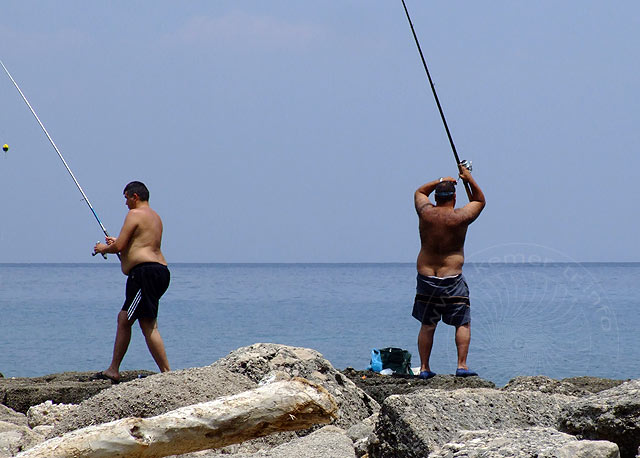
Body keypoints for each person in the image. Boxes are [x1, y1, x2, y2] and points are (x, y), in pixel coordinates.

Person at [92, 181, 170, 383]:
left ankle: (166, 373)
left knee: (143, 323)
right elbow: (139, 243)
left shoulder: (134, 215)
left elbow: (120, 246)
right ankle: (115, 368)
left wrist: (103, 248)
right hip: (159, 272)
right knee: (129, 319)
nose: (125, 203)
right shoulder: (155, 217)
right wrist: (117, 243)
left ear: (135, 196)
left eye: (126, 198)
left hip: (144, 275)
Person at [412, 164, 485, 379]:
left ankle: (424, 368)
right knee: (462, 321)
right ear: (454, 199)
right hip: (452, 278)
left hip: (426, 276)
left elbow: (419, 192)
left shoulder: (425, 213)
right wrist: (468, 179)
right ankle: (461, 365)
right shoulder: (460, 217)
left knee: (428, 323)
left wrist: (441, 179)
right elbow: (479, 200)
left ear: (436, 197)